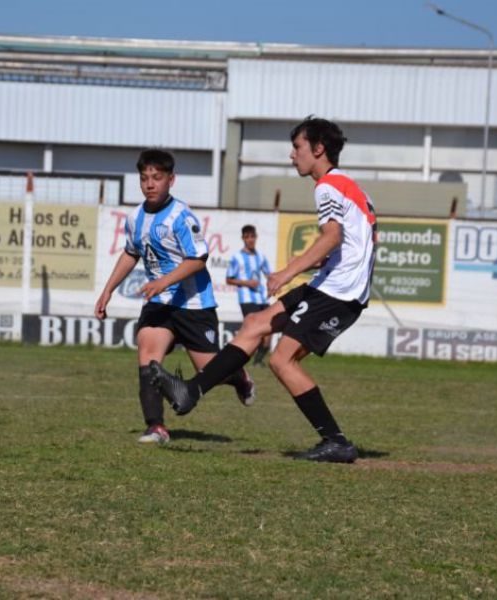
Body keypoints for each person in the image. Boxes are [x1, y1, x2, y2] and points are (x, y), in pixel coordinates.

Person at [151, 117, 376, 463]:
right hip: (333, 284)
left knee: (281, 360)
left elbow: (333, 236)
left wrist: (289, 271)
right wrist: (330, 263)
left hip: (339, 292)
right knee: (256, 323)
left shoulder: (327, 186)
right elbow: (365, 237)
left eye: (298, 147)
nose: (292, 155)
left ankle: (336, 441)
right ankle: (191, 391)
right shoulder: (352, 187)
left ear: (318, 149)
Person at [94, 149, 255, 445]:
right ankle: (156, 426)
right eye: (144, 178)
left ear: (171, 180)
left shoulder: (182, 216)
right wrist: (108, 290)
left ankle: (239, 378)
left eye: (157, 178)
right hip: (160, 304)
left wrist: (163, 281)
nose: (150, 184)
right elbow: (131, 253)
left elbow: (198, 259)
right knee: (147, 356)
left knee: (210, 372)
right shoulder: (135, 218)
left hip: (194, 304)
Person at [226, 224, 272, 366]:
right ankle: (235, 358)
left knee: (269, 331)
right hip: (247, 299)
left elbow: (269, 275)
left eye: (252, 236)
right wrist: (247, 283)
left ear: (256, 237)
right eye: (247, 237)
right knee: (254, 332)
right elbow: (229, 279)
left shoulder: (261, 257)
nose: (250, 240)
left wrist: (274, 285)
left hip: (261, 298)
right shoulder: (237, 258)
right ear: (243, 239)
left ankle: (258, 361)